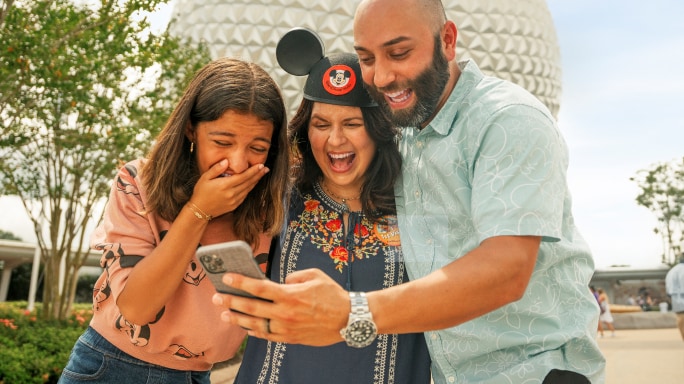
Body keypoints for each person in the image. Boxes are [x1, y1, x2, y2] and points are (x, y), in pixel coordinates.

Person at [212, 1, 605, 383]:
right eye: (366, 58)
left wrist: (352, 312)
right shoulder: (408, 136)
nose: (381, 77)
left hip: (535, 371)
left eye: (399, 53)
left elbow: (507, 270)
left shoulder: (506, 120)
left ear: (448, 40)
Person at [58, 57, 290, 384]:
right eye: (222, 142)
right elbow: (137, 309)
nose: (238, 163)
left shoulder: (272, 210)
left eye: (257, 147)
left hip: (199, 375)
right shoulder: (139, 183)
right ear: (190, 129)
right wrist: (199, 211)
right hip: (113, 367)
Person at [233, 27, 431, 384]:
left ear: (377, 128)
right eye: (321, 124)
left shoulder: (417, 205)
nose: (335, 140)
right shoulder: (278, 196)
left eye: (352, 124)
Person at [666, 256, 684, 341]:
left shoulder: (673, 271)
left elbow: (669, 287)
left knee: (681, 319)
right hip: (679, 297)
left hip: (677, 299)